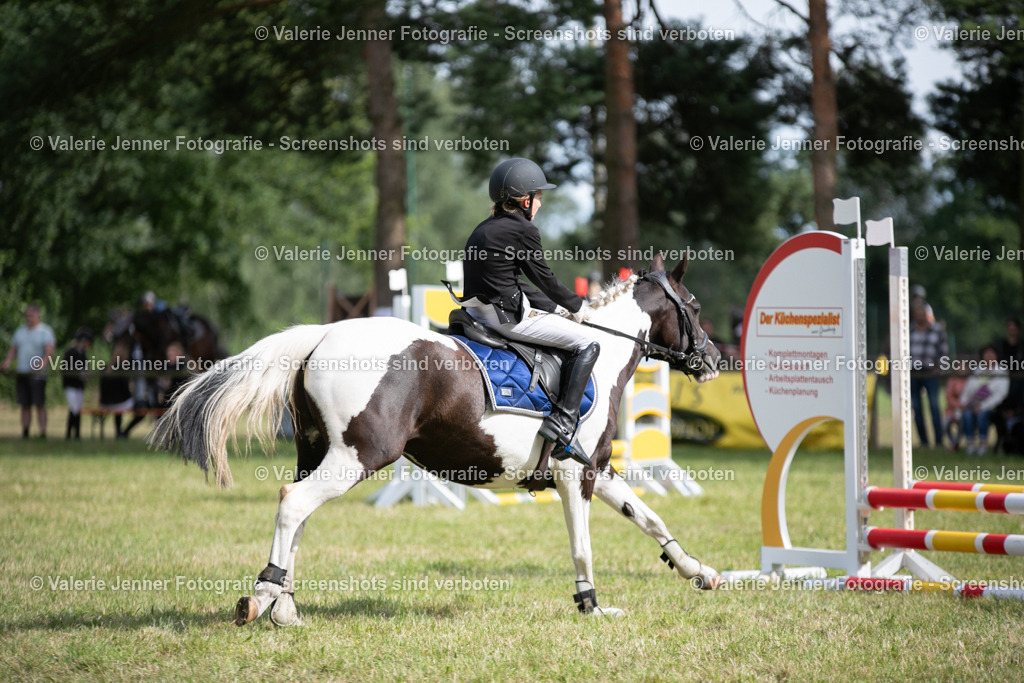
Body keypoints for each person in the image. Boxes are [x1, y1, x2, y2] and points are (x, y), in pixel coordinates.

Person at [455, 158, 601, 465]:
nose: (540, 203)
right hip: (505, 320)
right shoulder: (523, 230)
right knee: (587, 343)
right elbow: (544, 279)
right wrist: (578, 307)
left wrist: (556, 309)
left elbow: (514, 282)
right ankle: (563, 422)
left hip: (478, 314)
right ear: (525, 200)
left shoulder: (485, 227)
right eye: (539, 197)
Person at [1, 304, 57, 438]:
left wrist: (41, 365)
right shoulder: (20, 331)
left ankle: (42, 432)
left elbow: (49, 352)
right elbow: (13, 349)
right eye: (27, 316)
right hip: (22, 372)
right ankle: (25, 431)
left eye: (31, 315)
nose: (28, 318)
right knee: (25, 404)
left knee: (39, 404)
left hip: (38, 375)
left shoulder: (45, 331)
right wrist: (7, 362)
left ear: (38, 315)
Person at [908, 302, 948, 448]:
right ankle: (923, 442)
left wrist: (939, 368)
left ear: (927, 314)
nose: (919, 316)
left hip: (931, 373)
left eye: (921, 313)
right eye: (916, 313)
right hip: (913, 374)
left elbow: (944, 352)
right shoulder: (908, 330)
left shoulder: (937, 330)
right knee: (916, 408)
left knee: (934, 406)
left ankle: (938, 441)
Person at [959, 346, 1009, 455]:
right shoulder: (977, 371)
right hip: (973, 405)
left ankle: (983, 444)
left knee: (982, 414)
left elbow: (1000, 395)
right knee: (967, 414)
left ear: (996, 356)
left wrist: (982, 406)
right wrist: (964, 403)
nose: (989, 357)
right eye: (986, 354)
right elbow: (968, 390)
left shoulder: (1002, 372)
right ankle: (970, 444)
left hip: (993, 408)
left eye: (992, 354)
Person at [61, 327, 93, 440]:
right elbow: (66, 369)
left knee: (77, 409)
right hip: (71, 384)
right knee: (74, 408)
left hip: (79, 385)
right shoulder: (70, 353)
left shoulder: (82, 354)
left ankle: (75, 433)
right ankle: (70, 434)